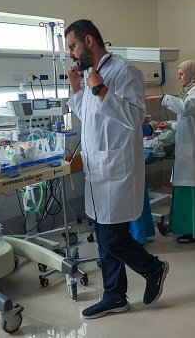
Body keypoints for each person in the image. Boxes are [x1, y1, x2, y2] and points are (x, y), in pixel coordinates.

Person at [65, 19, 169, 319]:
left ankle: (154, 268)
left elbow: (136, 117)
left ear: (88, 41)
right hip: (97, 171)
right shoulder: (90, 76)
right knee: (102, 235)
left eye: (72, 46)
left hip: (117, 170)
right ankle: (115, 296)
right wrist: (77, 91)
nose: (71, 54)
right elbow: (91, 117)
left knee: (113, 237)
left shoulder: (124, 71)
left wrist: (99, 89)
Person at [146, 60, 195, 243]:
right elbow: (189, 122)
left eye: (181, 74)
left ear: (192, 74)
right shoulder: (189, 93)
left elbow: (185, 109)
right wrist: (169, 124)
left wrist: (164, 99)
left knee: (192, 194)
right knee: (185, 193)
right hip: (189, 151)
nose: (178, 77)